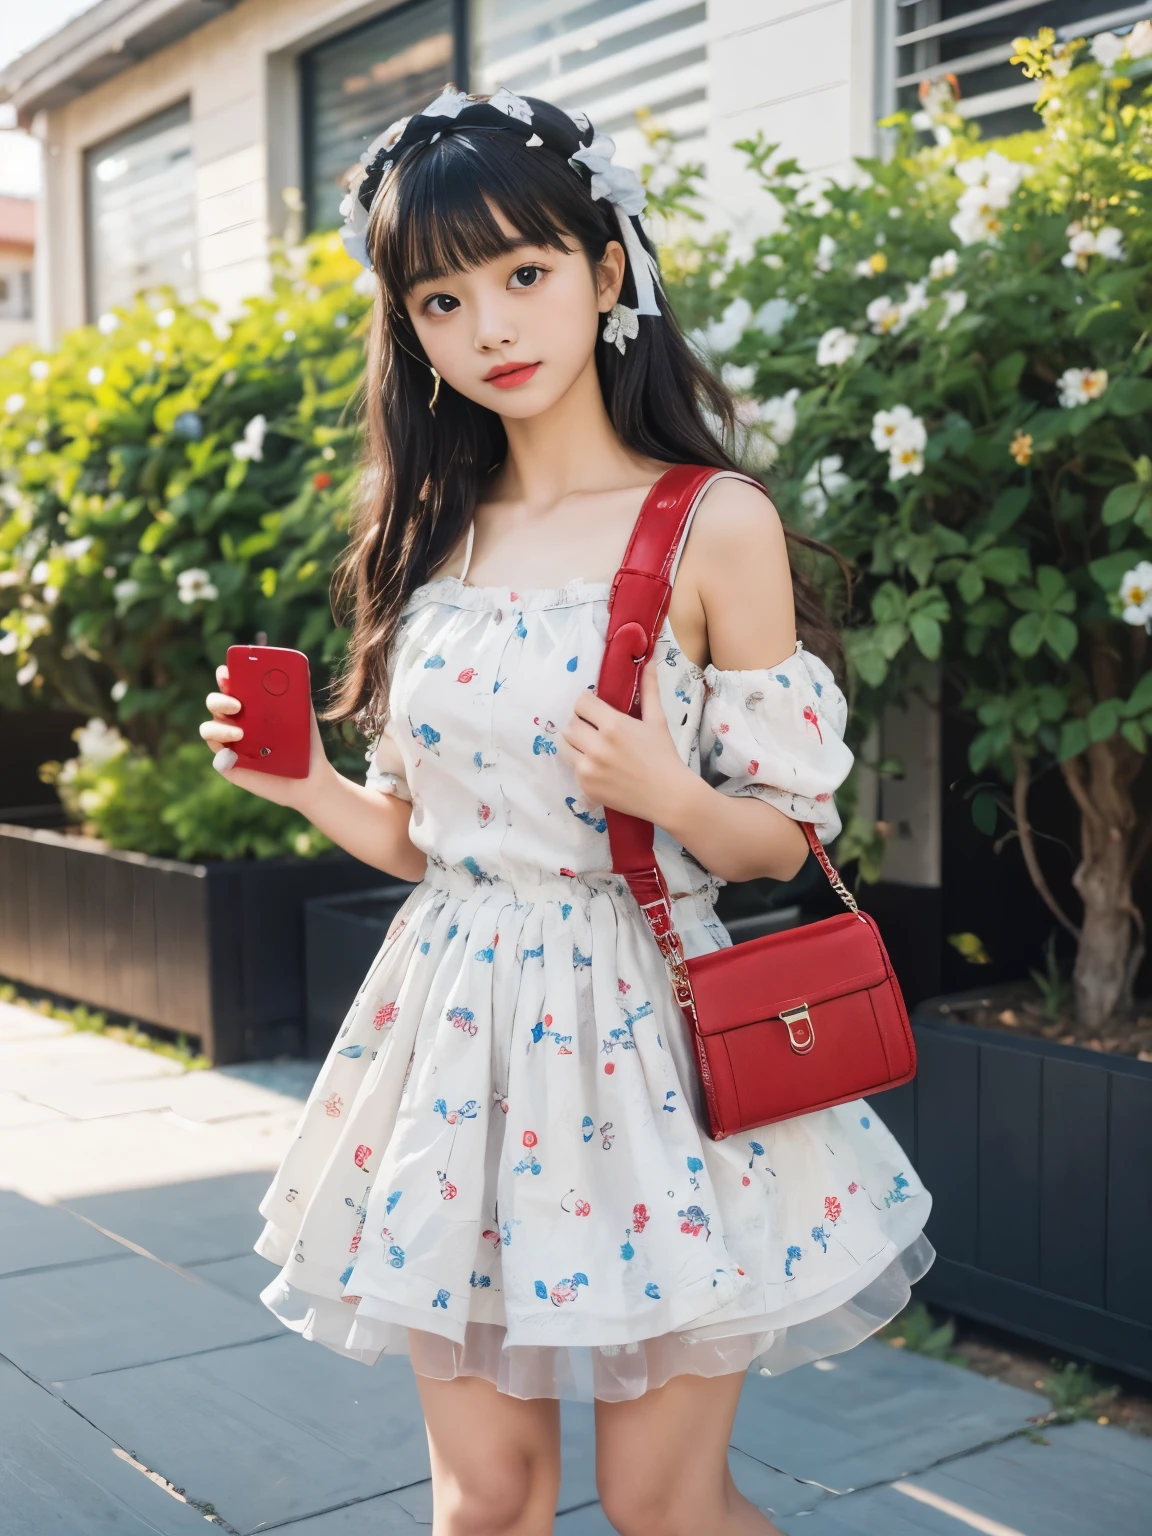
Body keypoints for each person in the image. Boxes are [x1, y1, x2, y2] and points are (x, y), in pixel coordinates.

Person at [200, 87, 932, 1536]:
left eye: (526, 273)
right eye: (443, 296)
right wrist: (307, 789)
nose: (491, 326)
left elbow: (787, 837)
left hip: (647, 1042)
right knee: (487, 1505)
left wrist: (670, 793)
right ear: (409, 328)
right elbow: (422, 841)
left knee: (668, 1508)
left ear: (606, 273)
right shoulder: (431, 532)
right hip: (452, 1052)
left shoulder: (711, 521)